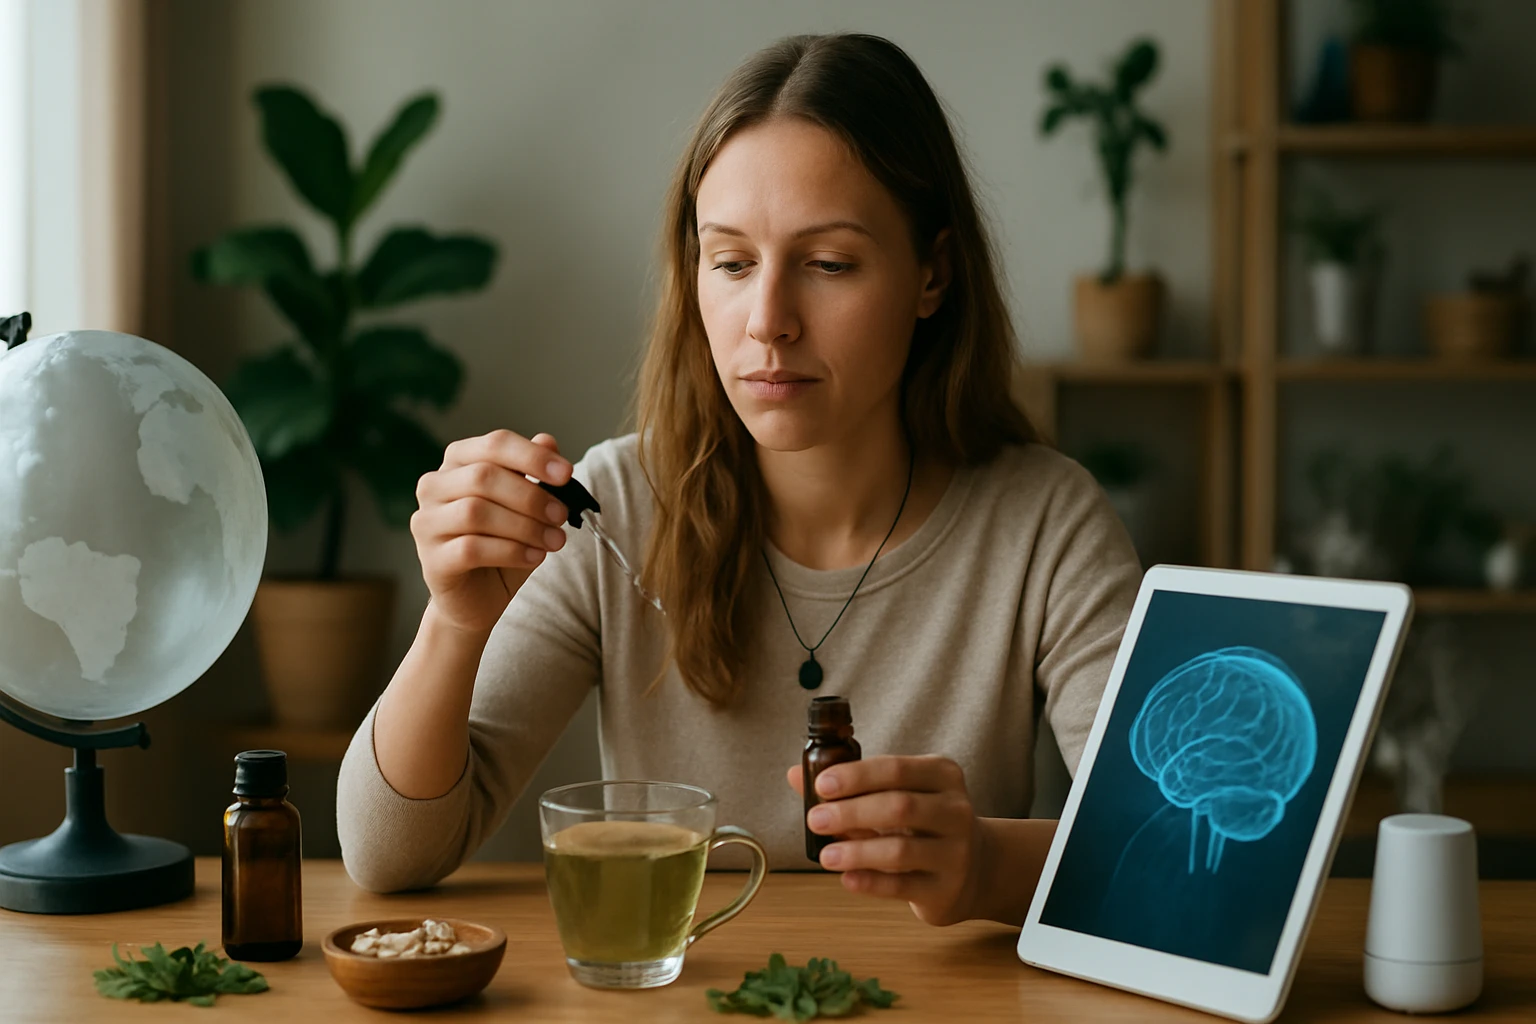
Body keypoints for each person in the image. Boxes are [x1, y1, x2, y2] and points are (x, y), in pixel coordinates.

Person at [337, 31, 1141, 928]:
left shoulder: (1044, 523)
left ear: (932, 274)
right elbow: (386, 855)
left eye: (829, 264)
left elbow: (1171, 845)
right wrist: (453, 622)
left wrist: (989, 863)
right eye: (730, 262)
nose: (767, 322)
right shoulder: (614, 508)